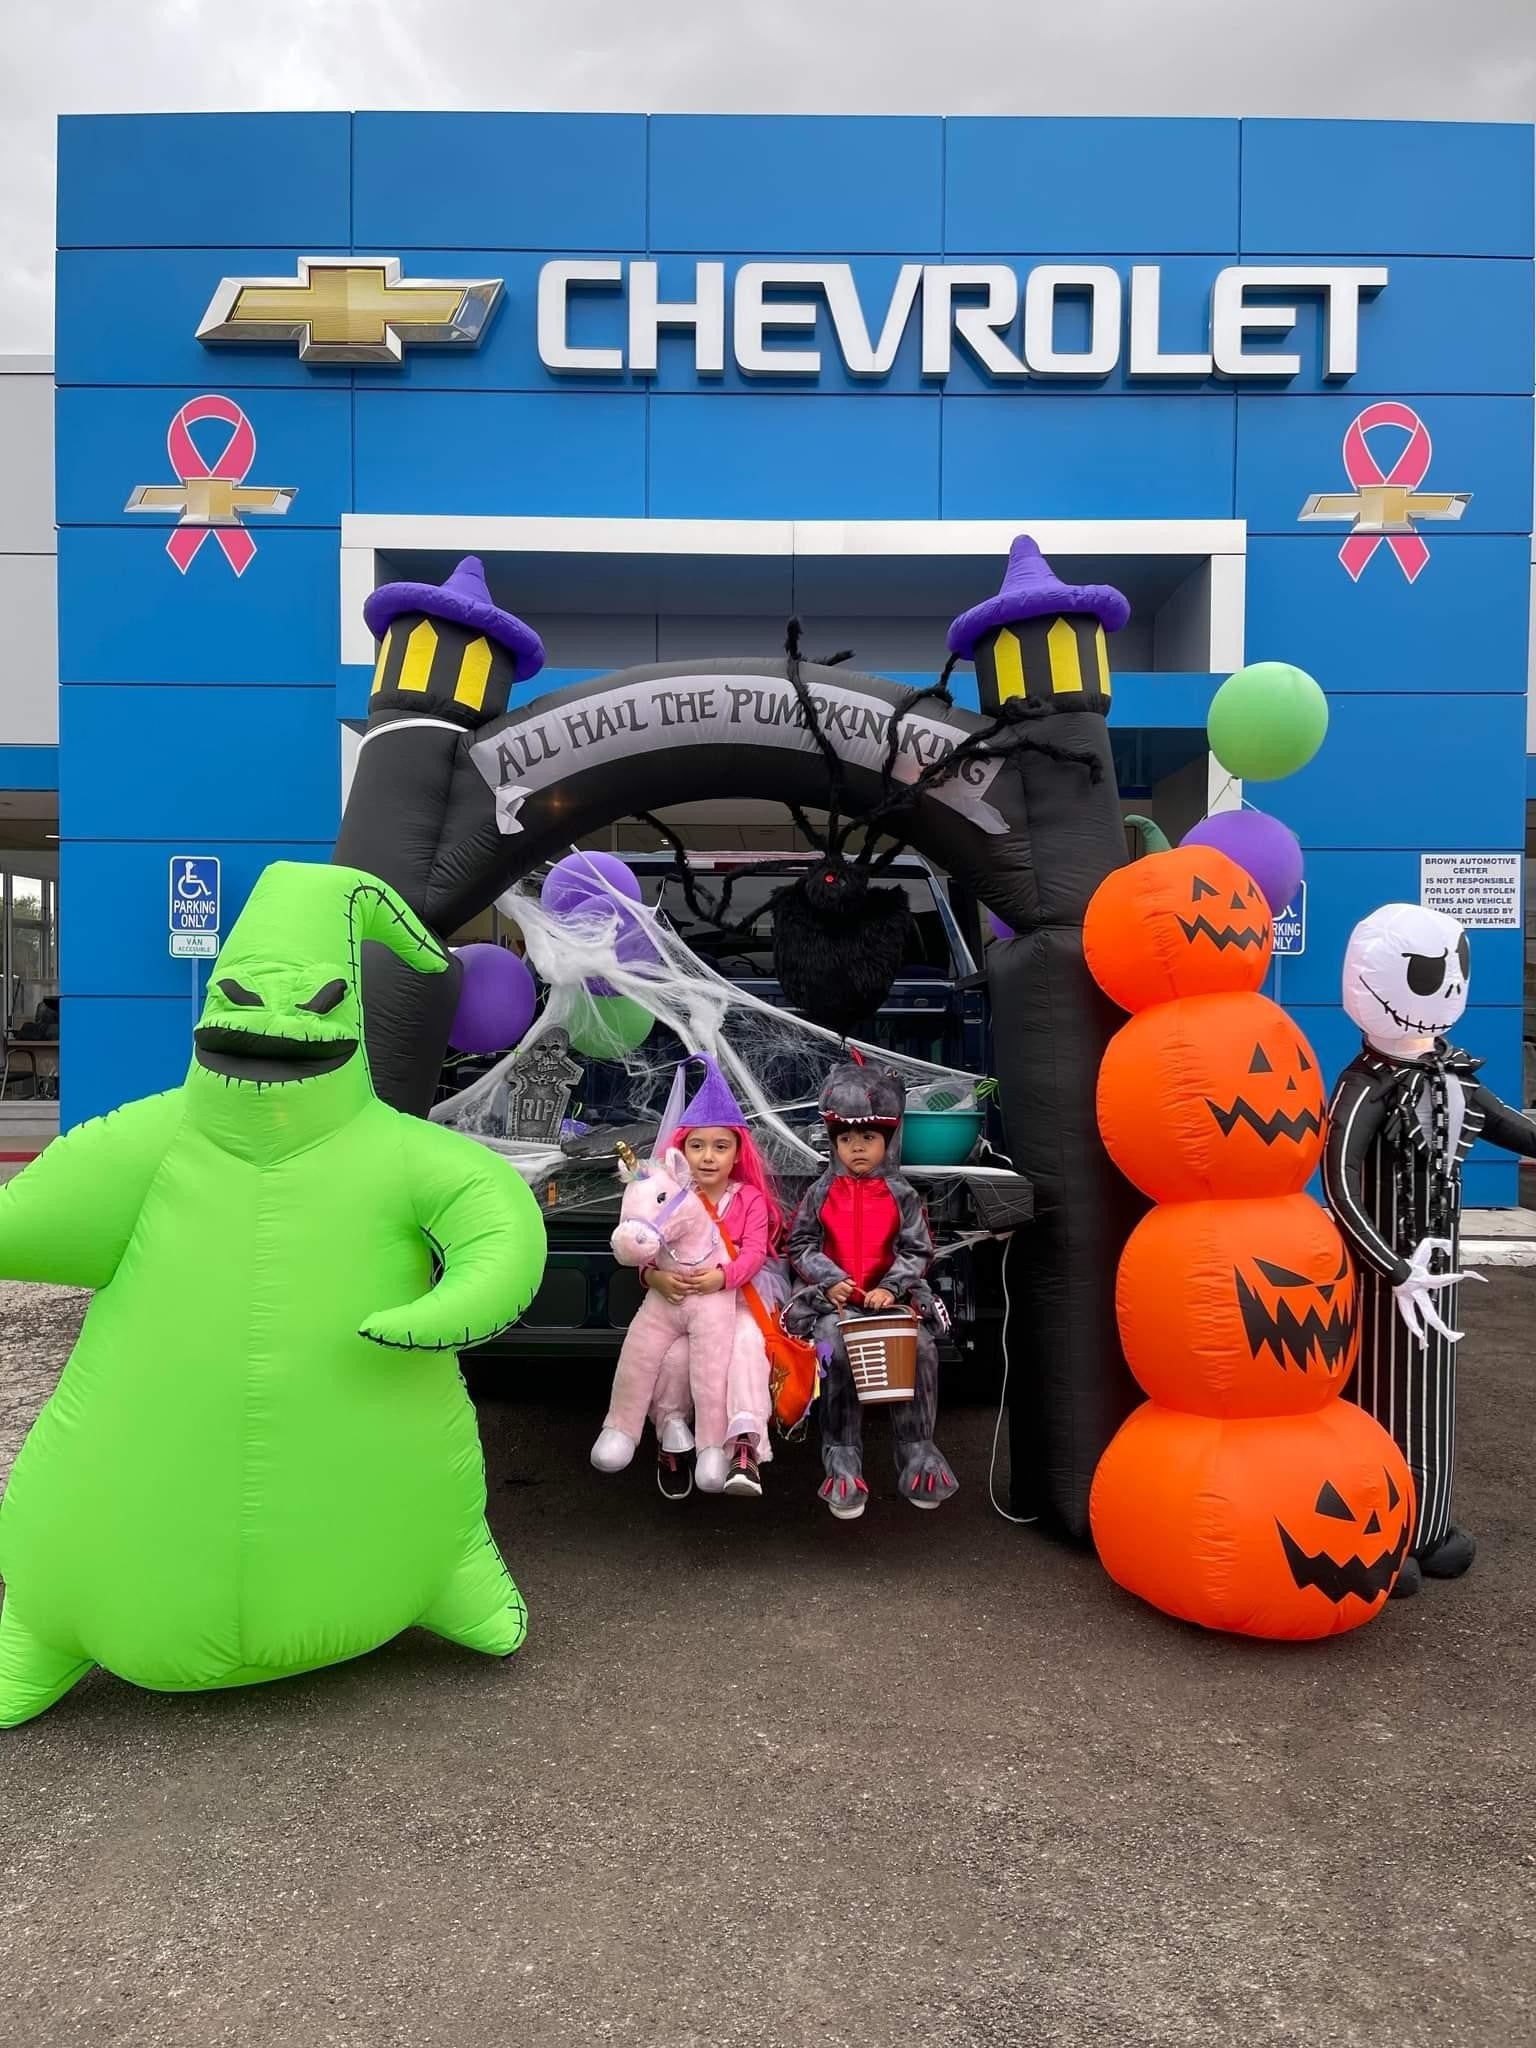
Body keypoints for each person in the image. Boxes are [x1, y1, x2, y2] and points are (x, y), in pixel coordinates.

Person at [1324, 904, 1536, 1598]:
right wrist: (1388, 1266)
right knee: (1380, 1396)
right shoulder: (1364, 1087)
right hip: (1385, 1275)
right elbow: (1339, 1182)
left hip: (1437, 1269)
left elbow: (1507, 1125)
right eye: (1426, 972)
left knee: (1433, 1398)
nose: (1445, 989)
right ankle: (1384, 1530)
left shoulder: (1453, 1075)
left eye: (1455, 971)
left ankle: (1431, 1521)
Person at [595, 1053, 783, 1501]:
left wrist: (723, 1277)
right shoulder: (673, 1191)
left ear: (738, 1150)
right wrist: (651, 1278)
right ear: (682, 1150)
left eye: (721, 1146)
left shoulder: (749, 1199)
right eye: (697, 1146)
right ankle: (671, 1434)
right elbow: (650, 1241)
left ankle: (741, 1444)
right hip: (680, 1301)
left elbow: (755, 1252)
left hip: (738, 1299)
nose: (708, 1156)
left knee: (743, 1346)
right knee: (673, 1358)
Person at [786, 1056, 956, 1519]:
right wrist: (831, 1279)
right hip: (835, 1307)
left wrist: (893, 1287)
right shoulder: (821, 1192)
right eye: (846, 1138)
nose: (856, 1147)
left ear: (887, 1140)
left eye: (868, 1138)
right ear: (833, 1142)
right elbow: (799, 1243)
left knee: (919, 1349)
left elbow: (917, 1250)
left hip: (892, 1303)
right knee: (834, 1350)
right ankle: (842, 1455)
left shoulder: (902, 1195)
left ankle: (917, 1449)